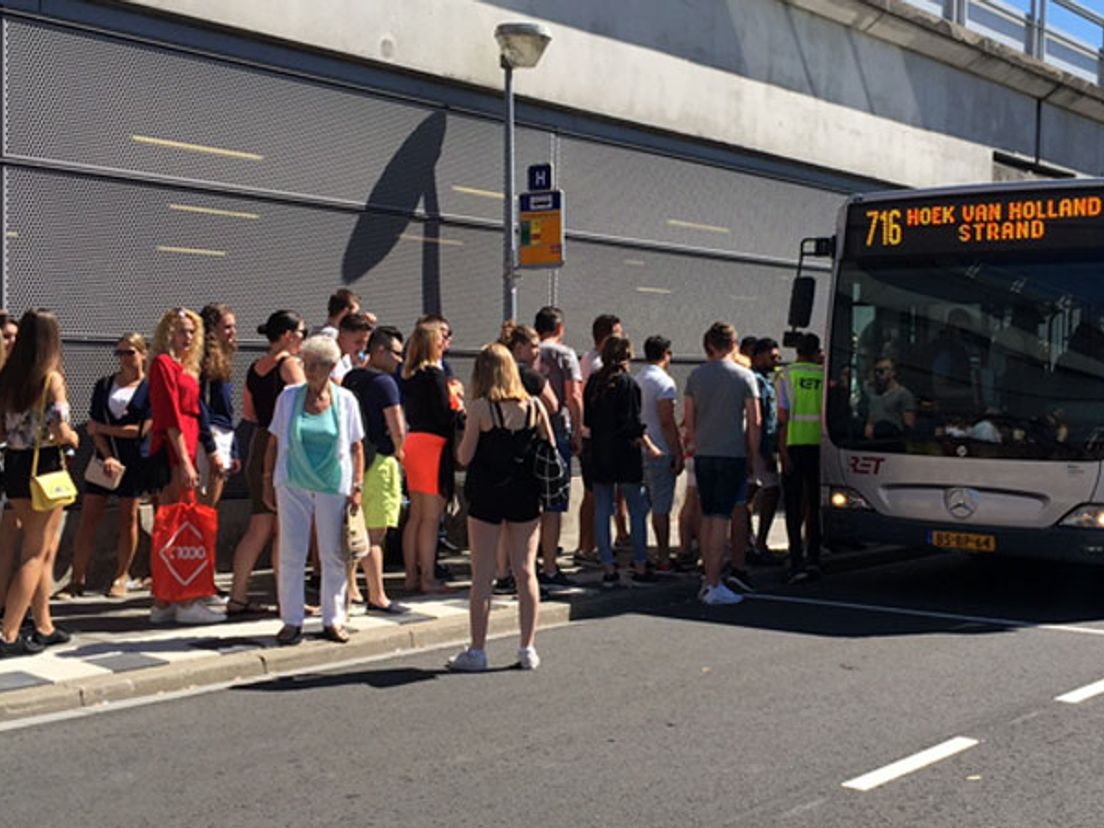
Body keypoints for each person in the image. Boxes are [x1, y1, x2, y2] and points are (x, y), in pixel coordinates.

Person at [448, 343, 555, 671]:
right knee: (526, 571)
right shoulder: (535, 406)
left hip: (488, 493)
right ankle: (527, 647)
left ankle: (478, 651)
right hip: (525, 493)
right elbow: (550, 450)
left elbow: (464, 458)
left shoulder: (481, 408)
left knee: (483, 574)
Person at [264, 335, 365, 645]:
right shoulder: (288, 397)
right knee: (291, 553)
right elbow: (274, 442)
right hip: (292, 481)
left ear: (331, 367)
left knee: (333, 553)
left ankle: (333, 619)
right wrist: (268, 479)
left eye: (316, 366)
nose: (309, 371)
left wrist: (357, 485)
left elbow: (356, 446)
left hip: (333, 483)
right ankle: (291, 620)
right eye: (306, 364)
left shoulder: (346, 400)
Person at [0, 310, 80, 654]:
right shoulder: (51, 379)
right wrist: (75, 439)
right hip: (45, 467)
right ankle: (9, 633)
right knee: (35, 552)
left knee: (41, 549)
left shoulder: (9, 378)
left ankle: (44, 624)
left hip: (15, 465)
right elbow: (60, 431)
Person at [147, 307, 225, 625]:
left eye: (192, 332)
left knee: (174, 525)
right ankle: (184, 598)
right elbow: (170, 418)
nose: (187, 337)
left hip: (186, 451)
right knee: (178, 525)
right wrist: (184, 461)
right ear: (167, 333)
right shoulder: (164, 365)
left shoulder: (182, 367)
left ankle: (166, 599)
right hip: (174, 453)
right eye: (181, 331)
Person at [226, 311, 306, 616]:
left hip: (259, 443)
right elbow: (302, 404)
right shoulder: (290, 365)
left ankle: (238, 595)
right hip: (283, 446)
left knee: (259, 526)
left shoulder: (254, 368)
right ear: (287, 335)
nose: (303, 338)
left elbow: (249, 414)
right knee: (284, 529)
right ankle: (287, 599)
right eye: (301, 332)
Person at [62, 334, 151, 599]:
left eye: (130, 352)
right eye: (120, 353)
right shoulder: (104, 385)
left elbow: (141, 430)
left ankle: (121, 576)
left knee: (128, 518)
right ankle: (77, 578)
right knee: (89, 516)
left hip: (134, 459)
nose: (125, 358)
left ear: (143, 354)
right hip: (105, 457)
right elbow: (92, 425)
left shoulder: (149, 388)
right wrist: (106, 452)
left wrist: (104, 428)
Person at [684, 322, 761, 605]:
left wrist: (693, 443)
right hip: (731, 454)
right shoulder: (744, 376)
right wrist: (752, 455)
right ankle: (715, 583)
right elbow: (754, 421)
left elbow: (689, 417)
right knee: (721, 520)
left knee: (707, 517)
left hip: (704, 453)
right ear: (733, 344)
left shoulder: (695, 376)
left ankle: (708, 578)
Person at [342, 325, 409, 614]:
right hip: (380, 460)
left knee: (352, 530)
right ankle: (378, 594)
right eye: (395, 353)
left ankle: (351, 588)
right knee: (375, 534)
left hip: (352, 459)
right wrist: (400, 452)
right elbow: (397, 427)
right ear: (379, 350)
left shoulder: (350, 378)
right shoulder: (385, 383)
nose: (399, 360)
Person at [584, 336, 661, 587]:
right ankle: (640, 563)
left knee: (602, 509)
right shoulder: (628, 384)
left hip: (599, 450)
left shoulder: (595, 382)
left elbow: (588, 419)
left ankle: (608, 566)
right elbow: (632, 423)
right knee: (637, 509)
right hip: (625, 453)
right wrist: (648, 445)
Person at [499, 320, 570, 589]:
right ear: (519, 347)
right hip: (533, 444)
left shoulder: (497, 374)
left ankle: (503, 572)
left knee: (505, 516)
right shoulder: (530, 376)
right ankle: (546, 568)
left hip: (501, 447)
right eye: (534, 346)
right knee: (544, 510)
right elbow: (552, 405)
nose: (538, 351)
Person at [400, 320, 456, 593]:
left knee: (417, 515)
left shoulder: (409, 374)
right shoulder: (436, 375)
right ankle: (428, 577)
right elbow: (445, 414)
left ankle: (411, 575)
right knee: (431, 518)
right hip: (434, 444)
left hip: (413, 442)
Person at [535, 306, 584, 572]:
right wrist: (578, 430)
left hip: (530, 430)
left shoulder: (527, 352)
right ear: (560, 328)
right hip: (556, 429)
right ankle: (550, 566)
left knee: (532, 501)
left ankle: (527, 560)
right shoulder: (564, 354)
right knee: (554, 501)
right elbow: (574, 396)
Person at [579, 314, 629, 559]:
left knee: (599, 493)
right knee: (594, 493)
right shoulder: (598, 364)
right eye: (618, 332)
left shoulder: (590, 360)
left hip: (594, 434)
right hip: (596, 436)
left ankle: (593, 543)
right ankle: (588, 545)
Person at [778, 332, 824, 584]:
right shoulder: (822, 374)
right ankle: (814, 557)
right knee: (814, 506)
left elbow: (782, 417)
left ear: (797, 351)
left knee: (794, 507)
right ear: (817, 352)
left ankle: (796, 558)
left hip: (794, 444)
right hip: (819, 446)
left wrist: (782, 452)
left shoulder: (786, 375)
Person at [635, 335, 683, 570]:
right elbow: (666, 421)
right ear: (667, 353)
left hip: (641, 447)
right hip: (660, 449)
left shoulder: (637, 379)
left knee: (641, 506)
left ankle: (640, 553)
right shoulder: (665, 383)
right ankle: (663, 556)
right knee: (661, 507)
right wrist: (678, 451)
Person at [197, 304, 239, 507]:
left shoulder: (223, 359)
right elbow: (200, 405)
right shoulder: (203, 361)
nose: (233, 332)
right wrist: (211, 448)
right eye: (227, 327)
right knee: (204, 505)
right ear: (212, 330)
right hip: (210, 436)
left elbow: (227, 409)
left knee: (210, 507)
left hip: (223, 434)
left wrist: (234, 449)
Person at [747, 337, 783, 563]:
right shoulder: (757, 381)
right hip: (759, 446)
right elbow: (758, 419)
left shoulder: (764, 380)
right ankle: (758, 542)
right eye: (772, 357)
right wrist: (764, 451)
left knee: (749, 491)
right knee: (770, 490)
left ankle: (750, 540)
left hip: (759, 444)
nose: (776, 361)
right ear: (758, 356)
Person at [864, 357, 916, 439]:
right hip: (872, 439)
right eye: (877, 371)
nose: (878, 374)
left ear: (893, 372)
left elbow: (909, 425)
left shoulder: (904, 394)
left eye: (882, 371)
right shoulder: (872, 392)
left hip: (892, 438)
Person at [332, 311, 373, 383]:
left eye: (365, 343)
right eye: (358, 342)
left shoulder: (347, 356)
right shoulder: (330, 360)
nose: (362, 348)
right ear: (342, 336)